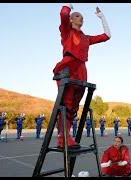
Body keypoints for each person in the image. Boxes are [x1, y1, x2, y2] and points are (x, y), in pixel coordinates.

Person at [52, 3, 111, 148]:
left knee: (74, 106)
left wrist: (101, 17)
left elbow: (107, 36)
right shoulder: (67, 31)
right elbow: (64, 14)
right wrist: (68, 5)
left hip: (81, 69)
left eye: (82, 17)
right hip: (68, 66)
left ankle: (67, 135)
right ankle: (63, 137)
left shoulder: (86, 38)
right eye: (78, 16)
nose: (81, 19)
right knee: (66, 102)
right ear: (71, 20)